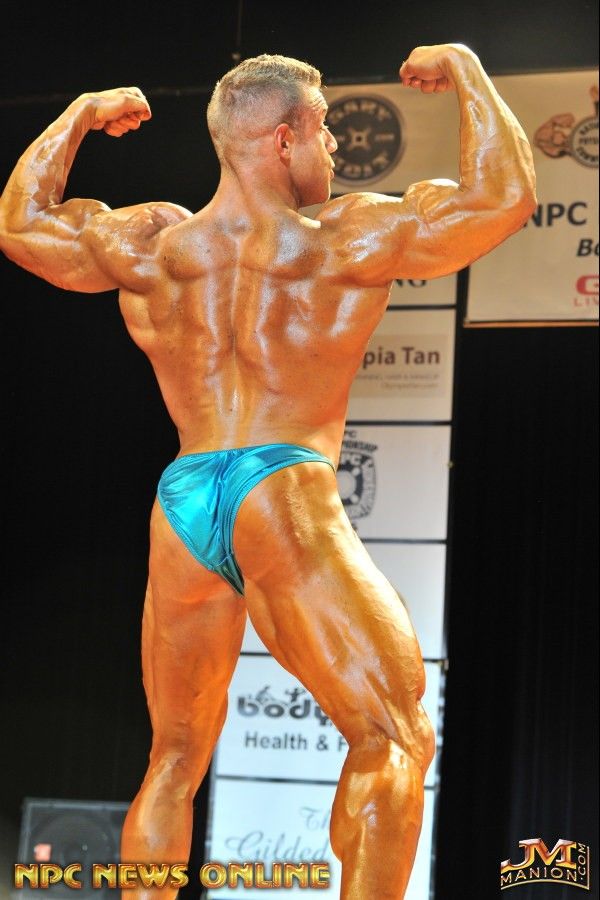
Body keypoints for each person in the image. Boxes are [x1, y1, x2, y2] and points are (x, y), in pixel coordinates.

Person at [0, 43, 536, 899]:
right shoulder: (346, 236)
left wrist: (77, 118)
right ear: (285, 139)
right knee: (393, 736)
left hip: (184, 497)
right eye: (325, 132)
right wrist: (468, 70)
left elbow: (23, 225)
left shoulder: (155, 245)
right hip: (281, 486)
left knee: (174, 758)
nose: (335, 150)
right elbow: (503, 199)